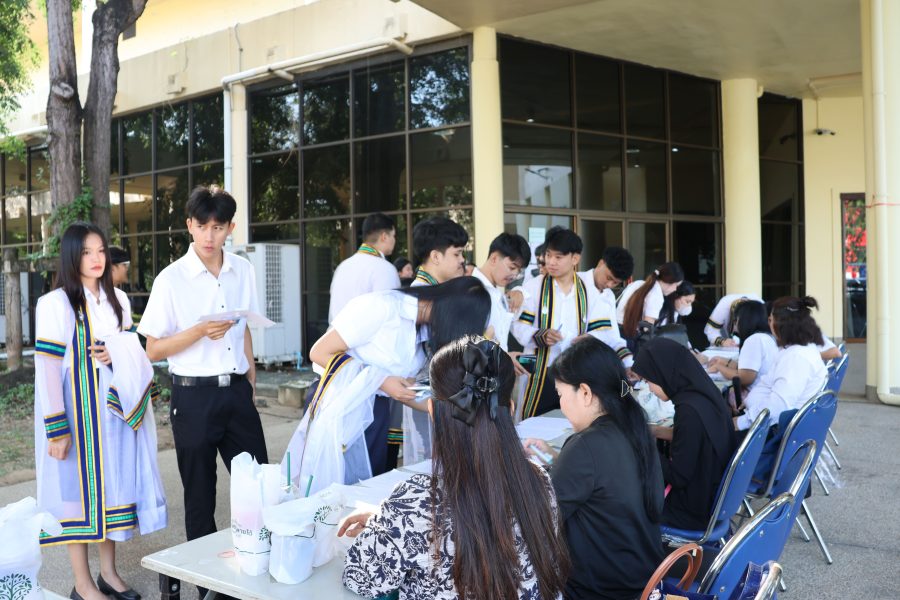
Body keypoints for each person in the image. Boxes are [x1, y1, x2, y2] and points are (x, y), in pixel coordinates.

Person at [340, 337, 570, 600]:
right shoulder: (539, 480)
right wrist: (392, 522)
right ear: (512, 408)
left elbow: (360, 578)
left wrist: (387, 524)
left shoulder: (415, 503)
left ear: (431, 411)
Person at [34, 222, 166, 600]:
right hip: (77, 416)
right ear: (72, 256)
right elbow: (46, 370)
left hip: (113, 415)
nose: (95, 259)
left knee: (113, 492)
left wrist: (117, 351)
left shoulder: (118, 301)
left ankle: (109, 572)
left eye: (101, 251)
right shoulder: (55, 303)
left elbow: (132, 349)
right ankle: (82, 582)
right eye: (87, 252)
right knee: (78, 497)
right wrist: (57, 429)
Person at [138, 186, 268, 558]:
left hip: (237, 394)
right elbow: (152, 349)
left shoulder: (242, 270)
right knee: (199, 496)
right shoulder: (171, 279)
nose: (210, 236)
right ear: (189, 226)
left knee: (257, 487)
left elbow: (243, 329)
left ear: (231, 228)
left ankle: (256, 567)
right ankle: (208, 588)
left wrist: (251, 381)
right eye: (202, 226)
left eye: (218, 227)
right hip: (193, 397)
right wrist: (198, 331)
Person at [283, 277, 491, 489]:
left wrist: (454, 408)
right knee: (325, 489)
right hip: (336, 403)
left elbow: (404, 391)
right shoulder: (381, 307)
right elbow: (319, 352)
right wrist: (381, 381)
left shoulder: (425, 330)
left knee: (361, 489)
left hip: (376, 410)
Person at [523, 338, 664, 600]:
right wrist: (557, 459)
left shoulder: (585, 446)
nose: (561, 404)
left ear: (585, 393)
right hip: (644, 580)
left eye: (561, 394)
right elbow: (604, 482)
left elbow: (539, 520)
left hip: (600, 590)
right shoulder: (634, 429)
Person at [512, 228, 633, 419]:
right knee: (531, 421)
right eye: (548, 255)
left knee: (569, 425)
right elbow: (518, 326)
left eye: (558, 257)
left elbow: (607, 333)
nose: (551, 262)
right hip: (540, 371)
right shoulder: (534, 287)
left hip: (574, 373)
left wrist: (590, 338)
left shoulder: (590, 291)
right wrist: (540, 335)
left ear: (575, 259)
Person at [633, 338, 736, 531]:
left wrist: (644, 448)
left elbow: (678, 476)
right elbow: (697, 438)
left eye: (649, 381)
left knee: (622, 504)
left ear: (662, 373)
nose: (649, 389)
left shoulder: (688, 411)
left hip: (692, 511)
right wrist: (655, 430)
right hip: (712, 495)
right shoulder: (703, 394)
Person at [735, 297, 829, 431]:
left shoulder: (796, 358)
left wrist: (740, 423)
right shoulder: (795, 350)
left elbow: (777, 406)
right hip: (765, 423)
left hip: (772, 431)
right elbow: (767, 383)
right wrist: (750, 402)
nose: (768, 324)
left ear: (780, 325)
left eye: (770, 319)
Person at [328, 212, 400, 323]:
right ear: (384, 237)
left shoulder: (342, 267)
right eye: (393, 236)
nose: (394, 240)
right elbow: (389, 317)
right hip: (368, 340)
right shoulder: (385, 269)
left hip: (336, 338)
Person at [472, 232, 531, 351]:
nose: (515, 275)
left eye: (519, 271)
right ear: (494, 259)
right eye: (512, 267)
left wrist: (521, 292)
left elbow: (522, 319)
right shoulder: (471, 291)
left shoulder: (500, 296)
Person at [706, 300, 776, 395]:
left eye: (736, 319)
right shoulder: (766, 336)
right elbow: (747, 368)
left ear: (745, 319)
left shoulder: (754, 340)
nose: (735, 325)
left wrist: (719, 367)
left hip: (755, 397)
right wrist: (724, 361)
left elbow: (745, 378)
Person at [617, 262, 685, 339]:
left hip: (616, 332)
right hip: (630, 338)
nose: (675, 289)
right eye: (676, 285)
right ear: (669, 281)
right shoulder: (657, 295)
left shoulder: (638, 283)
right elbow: (647, 329)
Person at [411, 216, 468, 285]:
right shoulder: (420, 294)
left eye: (462, 253)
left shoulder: (433, 290)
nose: (462, 260)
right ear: (436, 257)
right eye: (456, 254)